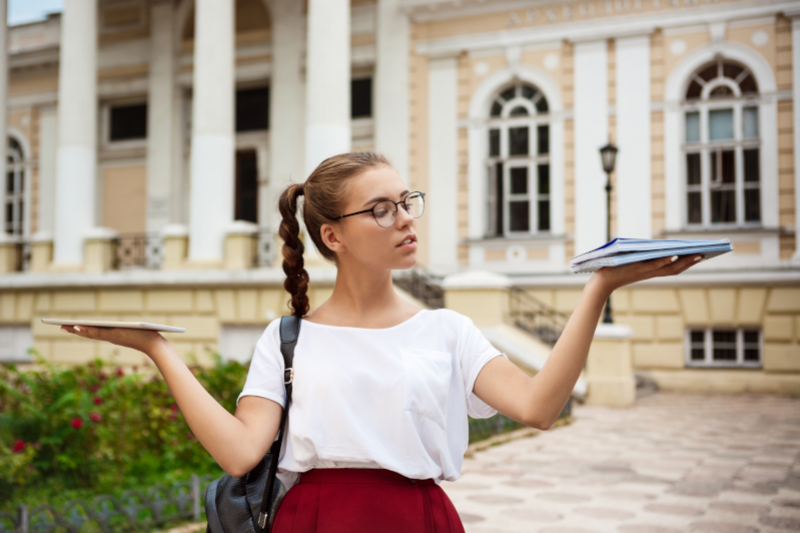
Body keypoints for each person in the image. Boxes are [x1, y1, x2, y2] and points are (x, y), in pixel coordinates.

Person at [61, 152, 703, 533]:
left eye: (406, 201)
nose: (404, 219)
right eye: (381, 209)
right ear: (332, 235)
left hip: (417, 521)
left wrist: (598, 289)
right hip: (313, 523)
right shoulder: (288, 339)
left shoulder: (446, 329)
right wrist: (158, 349)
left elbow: (538, 408)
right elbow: (239, 454)